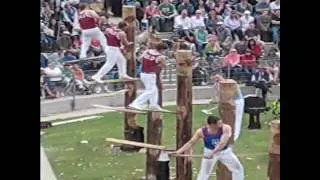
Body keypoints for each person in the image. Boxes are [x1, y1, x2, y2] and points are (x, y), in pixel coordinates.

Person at [171, 115, 244, 180]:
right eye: (219, 123)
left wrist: (213, 153)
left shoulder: (226, 128)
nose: (221, 125)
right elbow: (191, 142)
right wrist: (179, 151)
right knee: (204, 173)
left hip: (224, 152)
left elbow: (222, 143)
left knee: (238, 169)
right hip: (209, 151)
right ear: (212, 125)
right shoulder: (201, 132)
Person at [128, 43, 168, 111]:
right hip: (150, 74)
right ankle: (136, 103)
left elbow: (140, 59)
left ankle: (154, 105)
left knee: (154, 89)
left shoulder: (147, 51)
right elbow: (164, 65)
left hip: (143, 73)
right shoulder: (160, 56)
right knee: (150, 91)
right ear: (162, 50)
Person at [211, 74, 244, 141]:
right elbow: (220, 96)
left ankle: (234, 136)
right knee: (226, 119)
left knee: (236, 118)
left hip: (237, 101)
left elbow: (230, 93)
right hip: (227, 103)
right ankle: (225, 133)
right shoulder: (218, 86)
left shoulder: (231, 82)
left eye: (217, 79)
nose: (217, 81)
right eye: (215, 80)